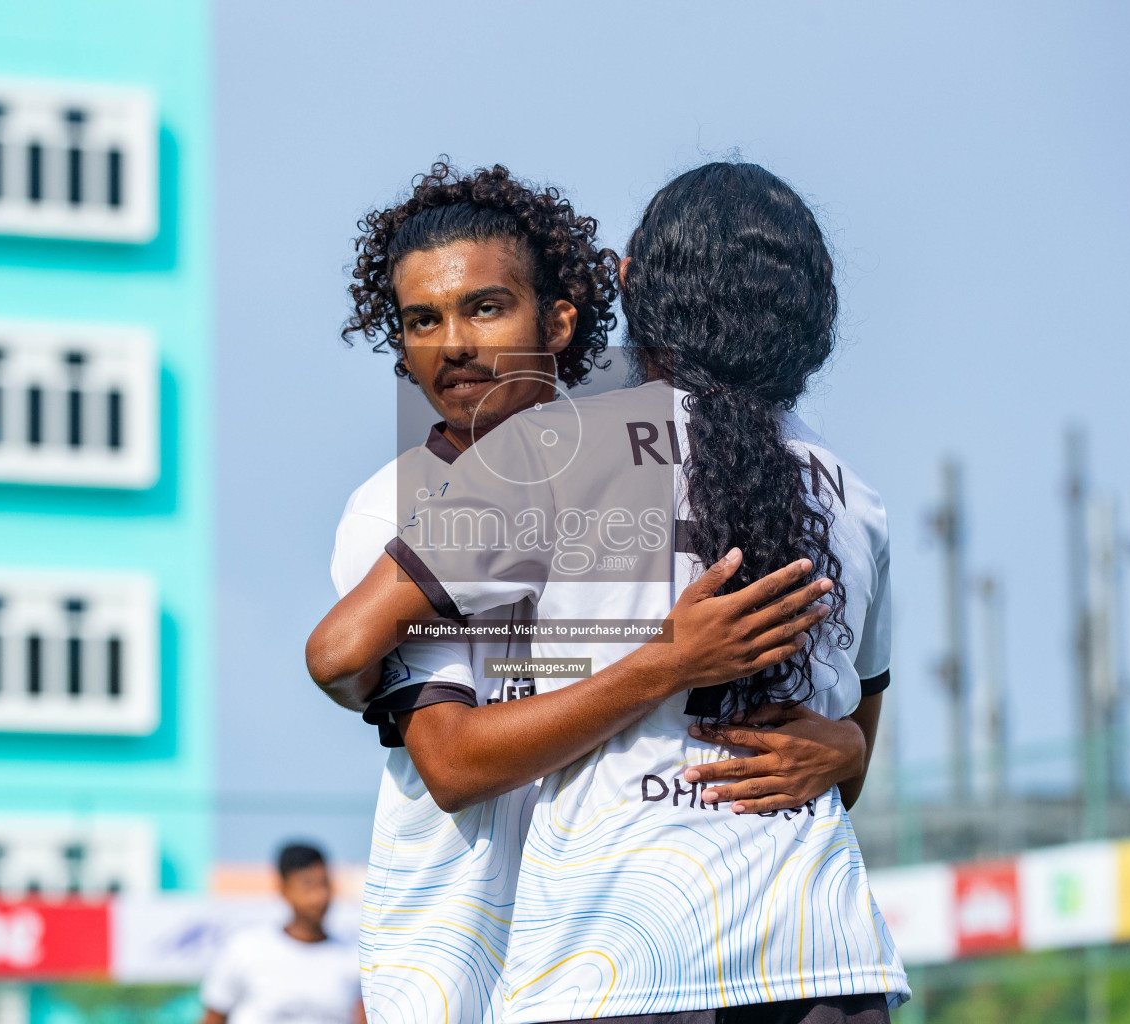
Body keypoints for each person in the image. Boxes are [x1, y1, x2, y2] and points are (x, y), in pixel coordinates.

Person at [310, 162, 905, 1022]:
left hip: (615, 954)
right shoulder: (852, 490)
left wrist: (681, 670)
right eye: (423, 320)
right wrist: (835, 748)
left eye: (485, 306)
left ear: (606, 296)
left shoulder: (561, 451)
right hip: (820, 961)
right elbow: (857, 737)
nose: (457, 344)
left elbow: (339, 651)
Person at [198, 843, 364, 1024]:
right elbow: (214, 1017)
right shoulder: (246, 949)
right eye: (308, 885)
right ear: (284, 888)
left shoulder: (353, 957)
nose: (320, 896)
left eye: (325, 884)